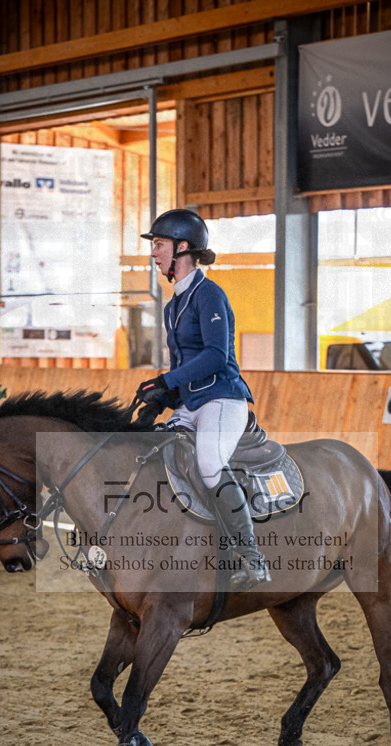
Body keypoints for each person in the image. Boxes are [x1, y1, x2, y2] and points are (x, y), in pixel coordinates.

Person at [135, 208, 271, 592]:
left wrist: (166, 378)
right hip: (192, 404)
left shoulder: (209, 295)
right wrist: (162, 395)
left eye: (159, 245)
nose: (154, 253)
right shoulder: (173, 305)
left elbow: (215, 356)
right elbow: (183, 364)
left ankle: (251, 557)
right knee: (153, 454)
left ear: (182, 248)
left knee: (210, 464)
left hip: (223, 399)